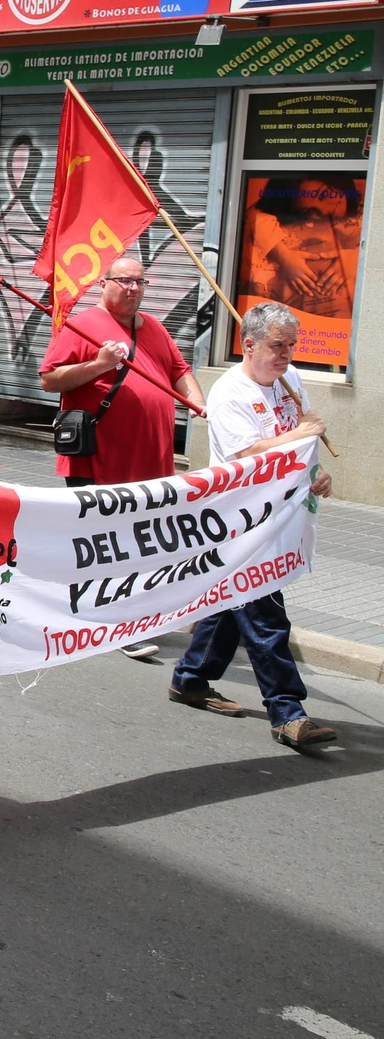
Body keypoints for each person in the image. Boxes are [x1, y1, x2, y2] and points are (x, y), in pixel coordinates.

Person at [170, 302, 337, 750]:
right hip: (241, 519)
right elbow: (247, 456)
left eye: (291, 346)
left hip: (280, 511)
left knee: (231, 600)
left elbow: (305, 435)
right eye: (277, 346)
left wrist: (314, 471)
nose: (286, 355)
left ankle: (190, 677)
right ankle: (287, 712)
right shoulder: (230, 393)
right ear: (249, 345)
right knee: (265, 612)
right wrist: (299, 438)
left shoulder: (291, 379)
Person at [39, 255, 205, 659]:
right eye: (124, 281)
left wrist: (199, 404)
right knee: (107, 542)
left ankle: (108, 609)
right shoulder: (83, 324)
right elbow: (49, 379)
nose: (133, 289)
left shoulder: (154, 328)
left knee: (138, 542)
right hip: (99, 458)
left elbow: (180, 370)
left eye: (140, 282)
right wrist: (99, 364)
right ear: (104, 284)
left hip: (149, 461)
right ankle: (117, 624)